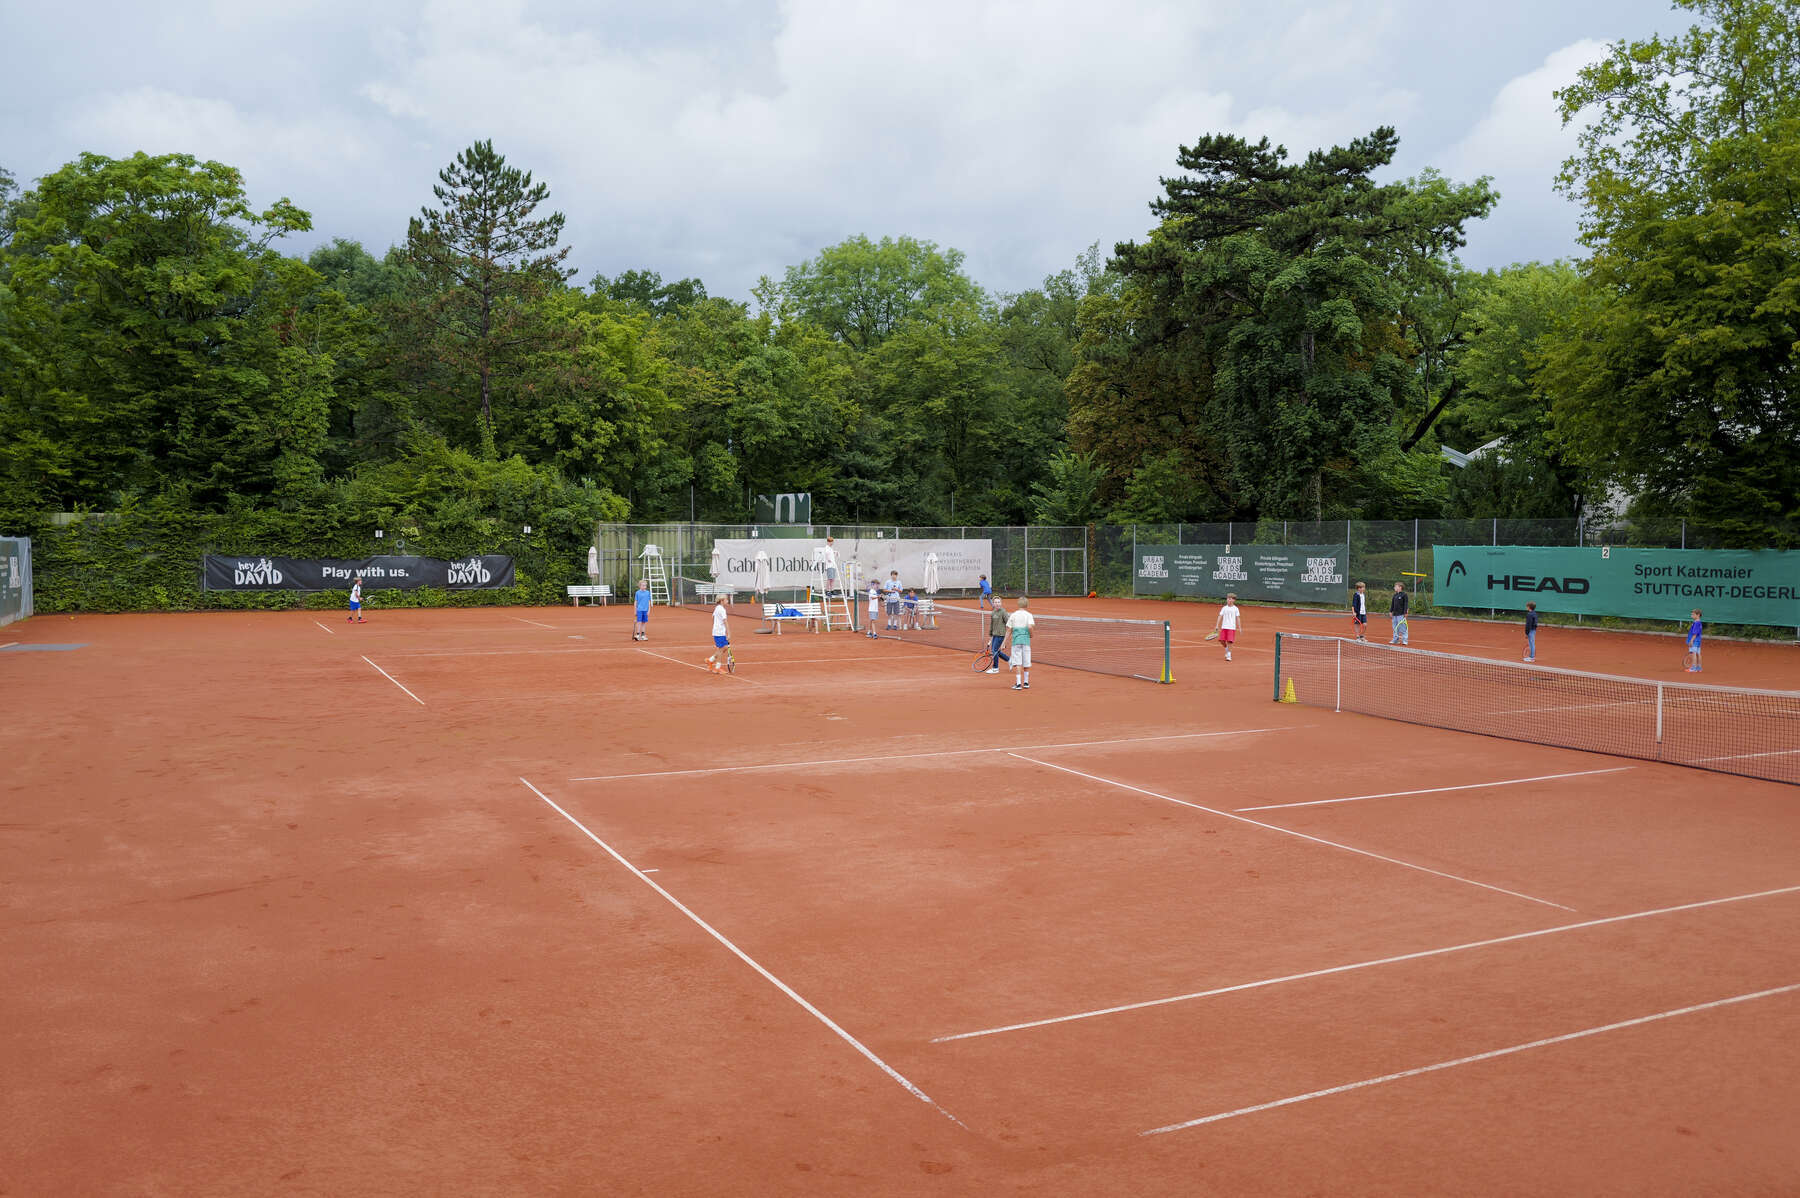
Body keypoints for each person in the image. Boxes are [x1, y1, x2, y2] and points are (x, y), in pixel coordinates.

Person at [1008, 596, 1036, 690]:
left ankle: (1019, 684)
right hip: (1026, 641)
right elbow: (1030, 627)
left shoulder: (1013, 615)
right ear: (1027, 605)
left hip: (1016, 641)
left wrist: (1003, 643)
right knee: (1026, 661)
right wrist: (1031, 635)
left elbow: (1009, 630)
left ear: (1018, 604)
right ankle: (1026, 683)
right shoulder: (1029, 615)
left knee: (1018, 663)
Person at [705, 597, 733, 673]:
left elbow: (713, 617)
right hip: (719, 632)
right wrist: (729, 632)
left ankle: (710, 660)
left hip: (717, 631)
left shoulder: (717, 608)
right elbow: (725, 621)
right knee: (720, 649)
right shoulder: (722, 610)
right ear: (721, 601)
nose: (727, 601)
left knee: (725, 647)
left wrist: (715, 627)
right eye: (726, 599)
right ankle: (717, 668)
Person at [985, 596, 1011, 673]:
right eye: (995, 602)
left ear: (1001, 603)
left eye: (999, 602)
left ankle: (995, 668)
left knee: (994, 651)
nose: (997, 604)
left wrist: (1006, 638)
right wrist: (991, 635)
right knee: (996, 651)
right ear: (993, 603)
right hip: (995, 635)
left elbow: (1008, 623)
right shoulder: (993, 612)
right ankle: (1010, 660)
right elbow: (992, 625)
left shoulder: (1003, 612)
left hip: (1001, 635)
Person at [1213, 592, 1240, 661]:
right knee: (1222, 641)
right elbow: (1220, 616)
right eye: (1228, 598)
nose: (1228, 600)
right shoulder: (1224, 608)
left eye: (1230, 599)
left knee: (1229, 641)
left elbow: (1238, 618)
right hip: (1224, 627)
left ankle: (1229, 655)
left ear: (1233, 600)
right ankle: (1227, 650)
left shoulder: (1236, 609)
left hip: (1231, 627)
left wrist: (1239, 627)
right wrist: (1217, 625)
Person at [1389, 581, 1409, 645]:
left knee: (1402, 628)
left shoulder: (1404, 595)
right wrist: (1390, 611)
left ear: (1400, 587)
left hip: (1401, 614)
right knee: (1395, 628)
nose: (1394, 587)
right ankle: (1395, 640)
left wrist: (1405, 612)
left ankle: (1405, 640)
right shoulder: (1395, 595)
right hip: (1395, 614)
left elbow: (1406, 604)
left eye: (1395, 586)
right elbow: (1392, 604)